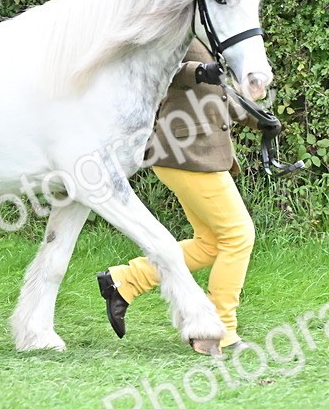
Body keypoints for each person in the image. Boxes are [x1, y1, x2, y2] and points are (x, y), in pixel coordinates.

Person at [96, 40, 257, 356]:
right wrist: (202, 70)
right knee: (239, 236)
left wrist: (258, 117)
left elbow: (218, 99)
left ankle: (125, 280)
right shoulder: (178, 26)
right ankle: (219, 331)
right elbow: (172, 71)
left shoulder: (216, 37)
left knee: (210, 243)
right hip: (188, 153)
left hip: (201, 153)